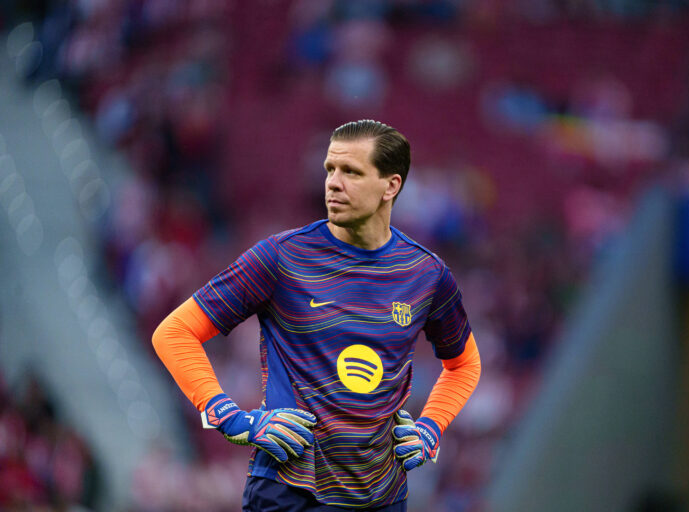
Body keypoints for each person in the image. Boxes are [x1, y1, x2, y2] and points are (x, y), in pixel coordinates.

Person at [152, 120, 481, 511]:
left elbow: (464, 364)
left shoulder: (426, 274)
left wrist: (429, 428)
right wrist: (231, 417)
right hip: (287, 491)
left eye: (352, 172)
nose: (334, 183)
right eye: (330, 169)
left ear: (390, 186)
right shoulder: (281, 256)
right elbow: (174, 332)